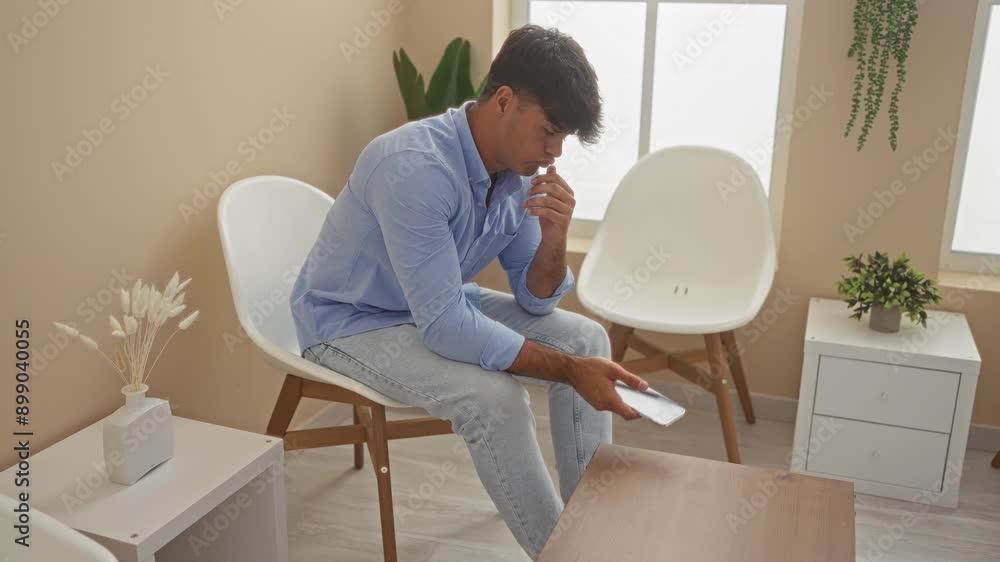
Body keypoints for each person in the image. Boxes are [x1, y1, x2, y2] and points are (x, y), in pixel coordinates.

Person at [290, 24, 649, 559]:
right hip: (351, 322)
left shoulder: (518, 173)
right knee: (495, 400)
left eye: (563, 139)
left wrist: (555, 238)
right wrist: (569, 372)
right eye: (549, 131)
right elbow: (445, 326)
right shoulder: (414, 168)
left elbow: (534, 298)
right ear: (504, 101)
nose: (555, 152)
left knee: (586, 339)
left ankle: (591, 533)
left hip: (431, 303)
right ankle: (563, 555)